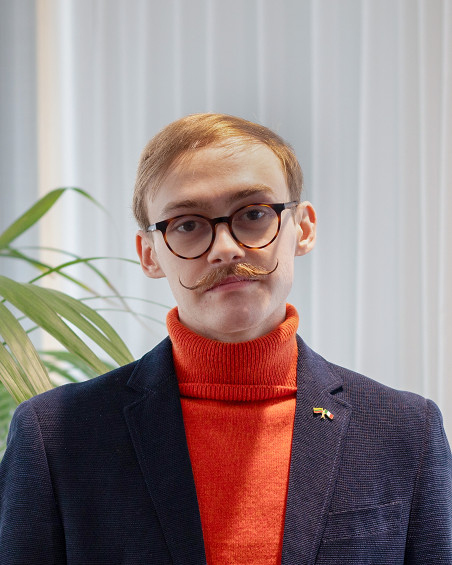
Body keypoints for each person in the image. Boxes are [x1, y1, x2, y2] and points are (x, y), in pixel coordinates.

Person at [0, 113, 451, 564]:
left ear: (304, 227)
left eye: (254, 214)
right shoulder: (54, 435)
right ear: (149, 254)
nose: (225, 248)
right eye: (187, 224)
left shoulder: (406, 431)